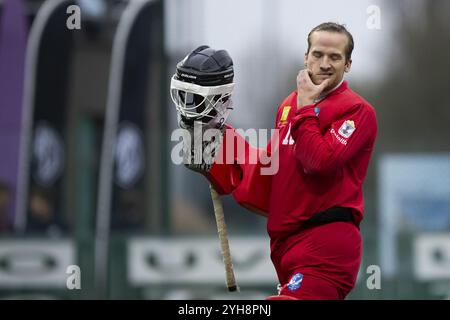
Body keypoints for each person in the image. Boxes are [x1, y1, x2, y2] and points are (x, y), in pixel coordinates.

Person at [170, 22, 377, 300]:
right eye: (317, 54)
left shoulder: (358, 111)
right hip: (285, 247)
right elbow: (270, 175)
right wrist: (214, 140)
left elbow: (318, 161)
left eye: (335, 57)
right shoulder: (288, 105)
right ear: (306, 57)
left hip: (326, 248)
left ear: (348, 64)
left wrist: (305, 110)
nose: (324, 63)